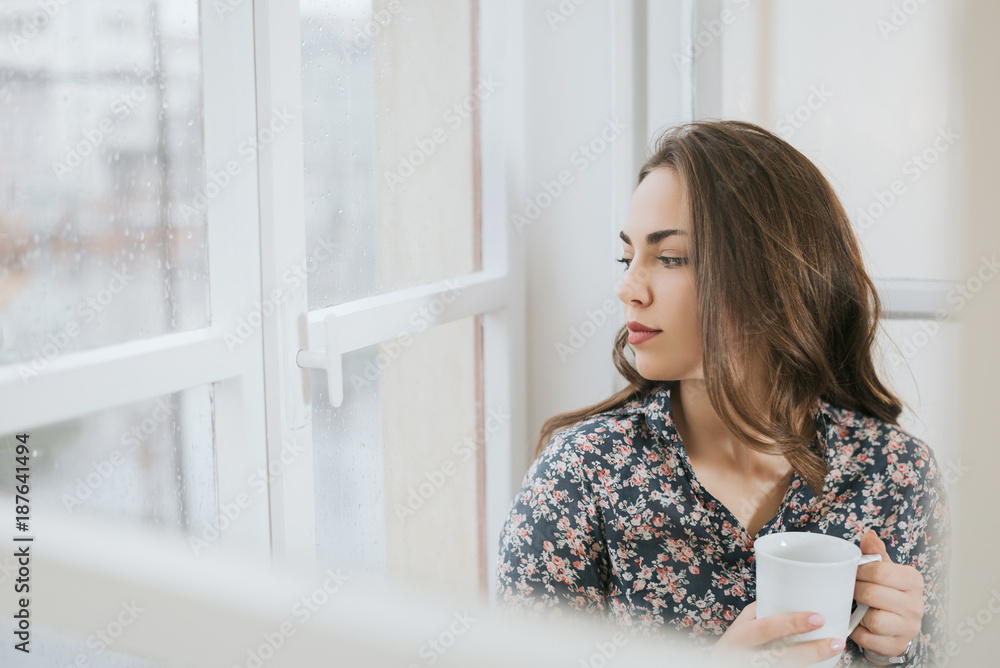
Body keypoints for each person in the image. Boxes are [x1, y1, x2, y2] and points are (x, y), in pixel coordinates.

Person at [493, 120, 951, 667]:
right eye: (627, 257)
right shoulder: (580, 478)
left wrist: (898, 653)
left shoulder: (895, 475)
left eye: (670, 258)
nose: (627, 288)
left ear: (774, 278)